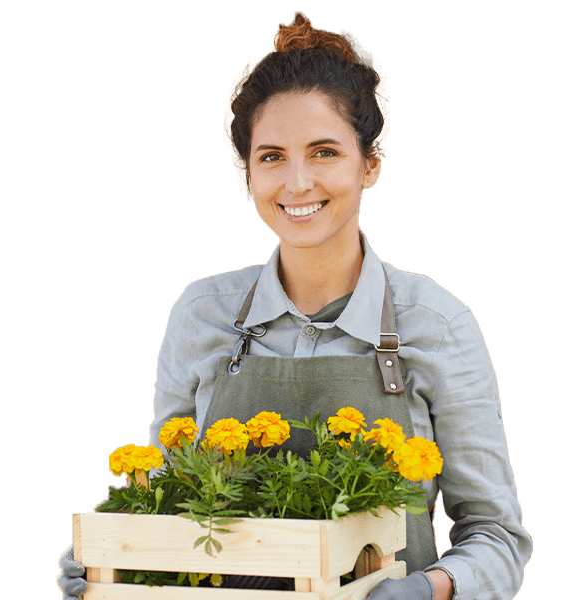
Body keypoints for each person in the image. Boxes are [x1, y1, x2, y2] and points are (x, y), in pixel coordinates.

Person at [58, 12, 532, 599]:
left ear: (372, 163)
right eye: (273, 156)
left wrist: (427, 590)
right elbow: (163, 495)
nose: (298, 182)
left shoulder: (436, 324)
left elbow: (497, 536)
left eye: (325, 151)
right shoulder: (201, 312)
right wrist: (109, 549)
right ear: (247, 173)